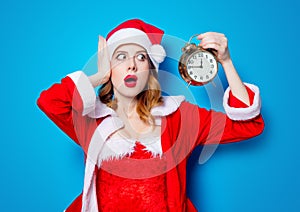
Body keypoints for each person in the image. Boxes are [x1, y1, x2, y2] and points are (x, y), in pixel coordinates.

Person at [37, 19, 264, 212]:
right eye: (121, 56)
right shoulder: (91, 120)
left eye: (141, 58)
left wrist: (225, 61)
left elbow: (248, 124)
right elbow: (50, 101)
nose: (132, 66)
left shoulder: (180, 117)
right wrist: (99, 75)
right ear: (109, 66)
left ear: (151, 69)